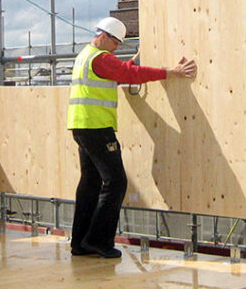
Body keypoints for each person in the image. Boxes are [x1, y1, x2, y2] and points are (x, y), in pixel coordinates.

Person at [67, 17, 197, 258]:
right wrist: (171, 72)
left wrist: (124, 67)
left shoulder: (85, 55)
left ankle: (80, 242)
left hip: (81, 126)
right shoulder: (102, 58)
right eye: (116, 43)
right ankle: (99, 241)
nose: (117, 48)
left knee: (90, 184)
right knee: (115, 182)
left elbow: (110, 75)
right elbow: (129, 74)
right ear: (104, 36)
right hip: (97, 128)